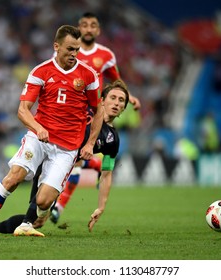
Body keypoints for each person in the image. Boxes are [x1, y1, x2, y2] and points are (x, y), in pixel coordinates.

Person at [0, 25, 103, 242]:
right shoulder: (41, 71)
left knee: (43, 201)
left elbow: (98, 111)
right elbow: (22, 110)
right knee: (14, 177)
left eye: (77, 49)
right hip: (39, 137)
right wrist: (38, 128)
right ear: (56, 46)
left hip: (67, 148)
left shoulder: (88, 75)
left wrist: (89, 144)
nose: (74, 54)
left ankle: (34, 219)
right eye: (69, 49)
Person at [0, 80, 129, 236]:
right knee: (35, 208)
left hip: (61, 169)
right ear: (102, 100)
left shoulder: (112, 139)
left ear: (124, 108)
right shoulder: (85, 109)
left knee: (39, 221)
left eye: (121, 100)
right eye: (113, 97)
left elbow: (106, 174)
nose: (116, 103)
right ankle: (14, 225)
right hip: (48, 155)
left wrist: (101, 207)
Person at [48, 12, 141, 224]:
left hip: (93, 110)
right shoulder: (71, 52)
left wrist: (129, 96)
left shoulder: (106, 55)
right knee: (73, 159)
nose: (88, 29)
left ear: (97, 30)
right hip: (72, 109)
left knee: (77, 159)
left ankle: (56, 207)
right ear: (79, 28)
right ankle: (53, 204)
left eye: (93, 25)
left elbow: (117, 81)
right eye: (84, 25)